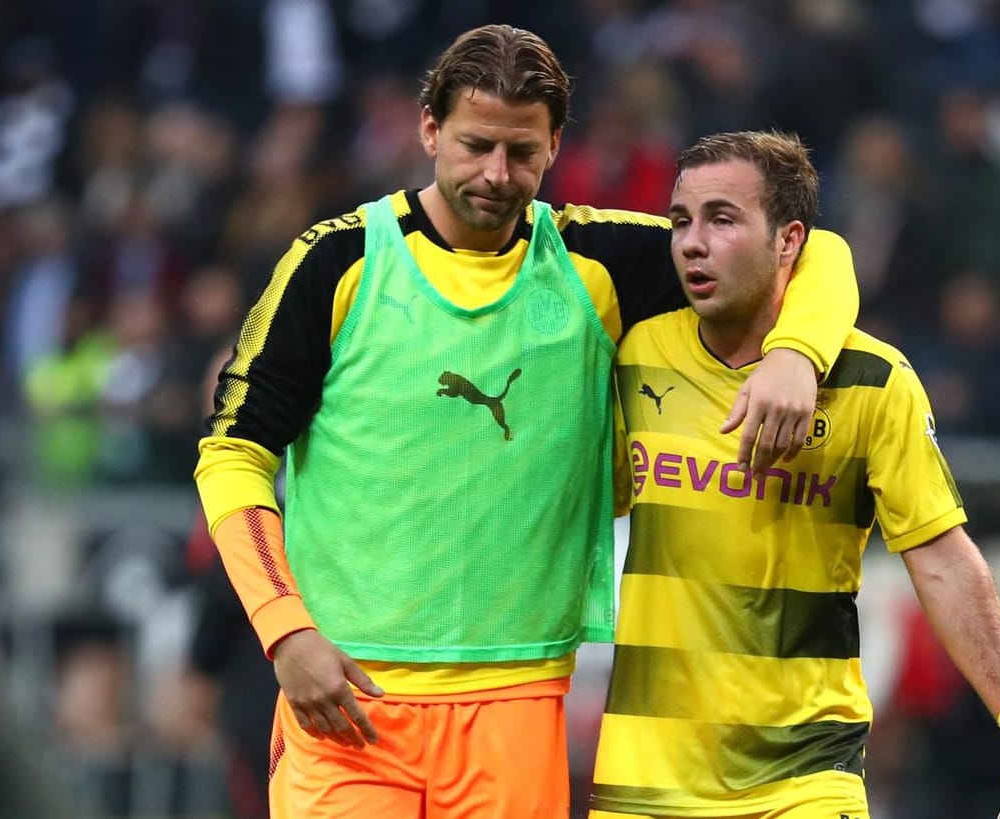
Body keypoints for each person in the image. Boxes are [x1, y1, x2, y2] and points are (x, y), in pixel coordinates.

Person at [194, 25, 859, 819]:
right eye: (475, 145)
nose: (497, 174)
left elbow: (810, 253)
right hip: (346, 691)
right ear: (429, 128)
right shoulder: (337, 264)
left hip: (517, 695)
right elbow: (232, 454)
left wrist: (794, 353)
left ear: (555, 146)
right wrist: (285, 631)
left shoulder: (595, 261)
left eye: (523, 153)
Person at [591, 130, 1000, 819]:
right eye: (681, 220)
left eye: (722, 219)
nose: (690, 242)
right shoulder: (634, 356)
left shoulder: (873, 380)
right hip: (643, 785)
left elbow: (941, 557)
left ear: (789, 240)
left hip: (805, 777)